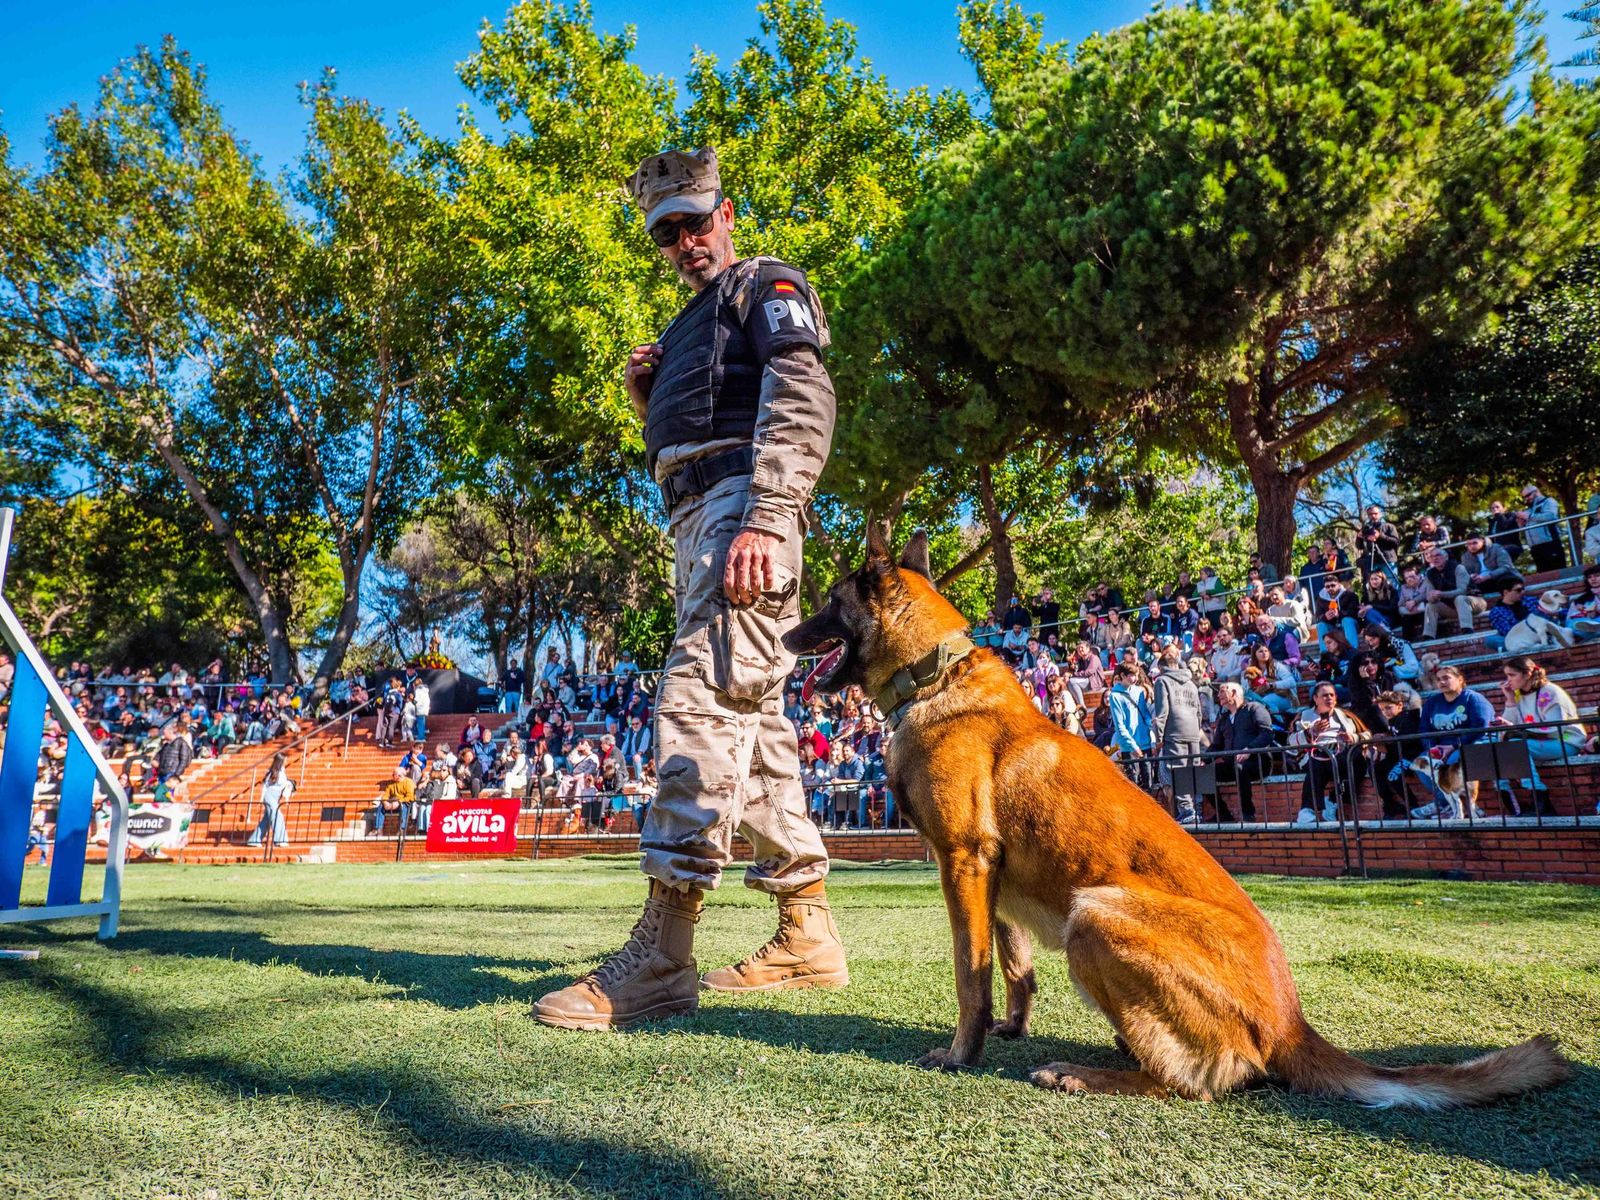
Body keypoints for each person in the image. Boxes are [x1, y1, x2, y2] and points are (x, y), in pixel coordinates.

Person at [536, 147, 846, 1031]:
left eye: (695, 220)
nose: (683, 241)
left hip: (741, 512)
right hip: (704, 520)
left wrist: (768, 514)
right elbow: (721, 411)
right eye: (666, 231)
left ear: (728, 212)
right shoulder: (689, 320)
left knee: (702, 705)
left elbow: (802, 388)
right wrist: (650, 403)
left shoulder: (763, 283)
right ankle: (807, 932)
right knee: (754, 731)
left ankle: (665, 953)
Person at [1497, 656, 1584, 818]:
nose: (1508, 680)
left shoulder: (1550, 692)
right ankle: (1513, 805)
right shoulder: (1517, 694)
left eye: (1512, 675)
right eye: (1507, 675)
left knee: (1515, 746)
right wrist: (1509, 700)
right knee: (1497, 749)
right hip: (1537, 742)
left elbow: (1555, 727)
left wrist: (1517, 730)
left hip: (1565, 742)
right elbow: (1511, 723)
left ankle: (1541, 800)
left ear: (1528, 673)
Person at [1408, 664, 1496, 820]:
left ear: (1460, 679)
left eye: (1446, 678)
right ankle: (1445, 804)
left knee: (1453, 763)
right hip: (1442, 747)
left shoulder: (1473, 699)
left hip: (1471, 744)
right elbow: (1424, 729)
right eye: (1438, 679)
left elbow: (1480, 728)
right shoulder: (1432, 702)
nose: (1442, 682)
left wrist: (1453, 746)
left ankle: (1464, 806)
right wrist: (1434, 749)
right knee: (1422, 763)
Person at [1290, 682, 1365, 826]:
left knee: (1358, 760)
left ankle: (1332, 802)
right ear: (1315, 698)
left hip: (1341, 754)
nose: (1329, 698)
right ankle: (1307, 810)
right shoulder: (1303, 716)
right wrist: (1311, 732)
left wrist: (1352, 738)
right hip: (1314, 756)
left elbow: (1366, 734)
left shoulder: (1346, 715)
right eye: (1324, 695)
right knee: (1318, 760)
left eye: (1332, 695)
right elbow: (1291, 741)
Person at [1150, 644, 1205, 823]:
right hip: (1193, 732)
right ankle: (1197, 810)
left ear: (1161, 667)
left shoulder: (1162, 681)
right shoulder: (1191, 683)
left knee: (1178, 771)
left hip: (1174, 732)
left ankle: (1187, 812)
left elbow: (1162, 713)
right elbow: (1199, 711)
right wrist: (1196, 730)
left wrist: (1158, 739)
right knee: (1193, 771)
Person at [1422, 547, 1486, 639]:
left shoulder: (1458, 568)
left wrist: (1441, 594)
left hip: (1474, 602)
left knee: (1459, 598)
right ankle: (1428, 636)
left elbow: (1462, 591)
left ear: (1446, 557)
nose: (1435, 558)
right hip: (1454, 608)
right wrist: (1432, 596)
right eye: (1432, 557)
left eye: (1438, 555)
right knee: (1430, 605)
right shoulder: (1429, 574)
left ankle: (1467, 631)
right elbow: (1429, 596)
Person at [1504, 590, 1576, 653]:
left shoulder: (1548, 613)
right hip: (1519, 645)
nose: (1564, 596)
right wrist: (1545, 646)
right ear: (1548, 600)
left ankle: (1566, 639)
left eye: (1560, 594)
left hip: (1533, 642)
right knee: (1545, 631)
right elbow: (1541, 632)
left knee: (1568, 630)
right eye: (1556, 596)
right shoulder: (1539, 617)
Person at [246, 751, 293, 847]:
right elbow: (265, 786)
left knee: (267, 820)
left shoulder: (281, 771)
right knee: (277, 817)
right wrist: (261, 799)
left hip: (275, 797)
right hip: (270, 797)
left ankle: (254, 840)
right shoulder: (272, 772)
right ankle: (280, 839)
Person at [1519, 484, 1567, 573]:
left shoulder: (1549, 501)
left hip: (1550, 544)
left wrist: (1529, 516)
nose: (1526, 499)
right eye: (1524, 497)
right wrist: (1521, 523)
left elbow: (1551, 516)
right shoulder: (1529, 509)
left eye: (1527, 495)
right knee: (1544, 575)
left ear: (1536, 491)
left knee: (1558, 572)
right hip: (1535, 548)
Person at [1461, 532, 1521, 597]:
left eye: (1475, 543)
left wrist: (1488, 576)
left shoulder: (1496, 548)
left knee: (1507, 580)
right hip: (1481, 583)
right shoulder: (1465, 556)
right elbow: (1466, 573)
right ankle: (1480, 603)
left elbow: (1506, 567)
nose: (1472, 546)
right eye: (1469, 544)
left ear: (1483, 541)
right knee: (1465, 589)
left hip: (1499, 578)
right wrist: (1472, 576)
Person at [1356, 505, 1401, 584]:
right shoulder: (1366, 528)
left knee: (1391, 583)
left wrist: (1380, 536)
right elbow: (1359, 546)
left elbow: (1396, 542)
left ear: (1380, 514)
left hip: (1388, 560)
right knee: (1373, 585)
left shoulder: (1389, 526)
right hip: (1372, 561)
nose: (1373, 516)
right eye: (1370, 514)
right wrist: (1359, 537)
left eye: (1375, 513)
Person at [371, 767, 415, 835]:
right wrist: (385, 802)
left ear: (399, 776)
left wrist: (398, 802)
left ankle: (401, 829)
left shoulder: (409, 782)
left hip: (406, 804)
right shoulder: (391, 784)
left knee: (403, 806)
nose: (392, 775)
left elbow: (410, 797)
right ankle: (378, 829)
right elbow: (385, 795)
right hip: (393, 804)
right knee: (381, 806)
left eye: (394, 774)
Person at [1564, 564, 1600, 642]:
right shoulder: (1582, 599)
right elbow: (1570, 617)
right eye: (1589, 577)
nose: (1593, 579)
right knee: (1571, 624)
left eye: (1597, 576)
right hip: (1587, 623)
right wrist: (1585, 613)